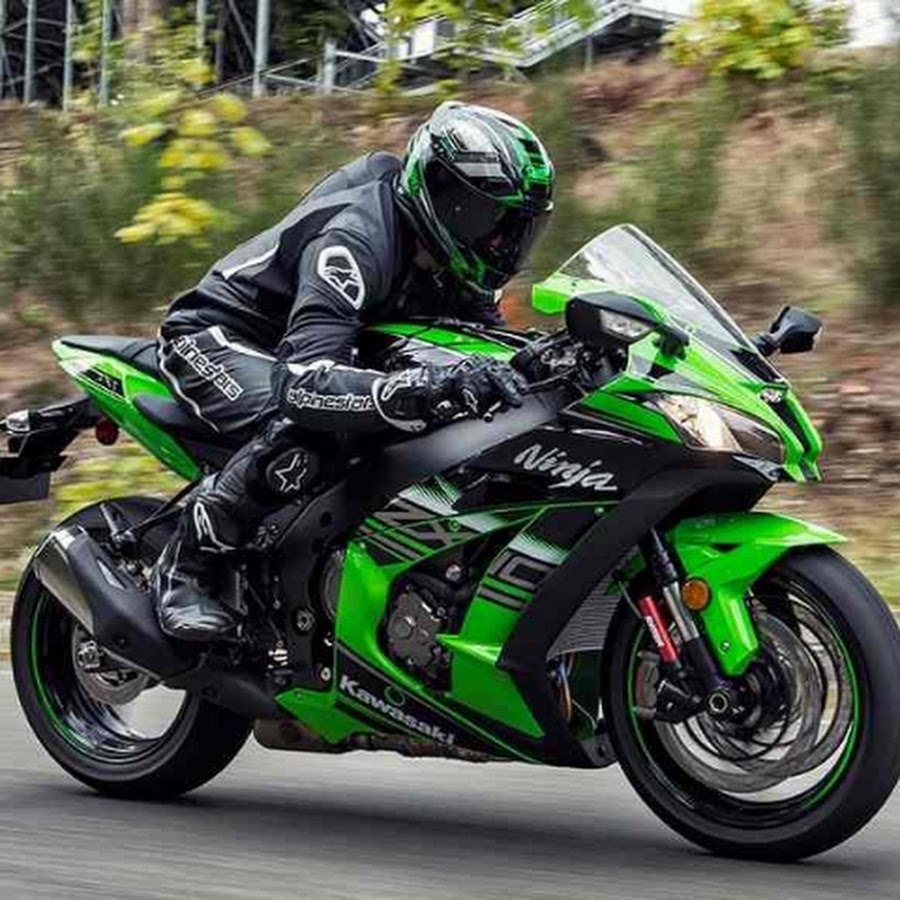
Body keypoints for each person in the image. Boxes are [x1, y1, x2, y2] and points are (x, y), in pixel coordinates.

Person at [152, 101, 555, 641]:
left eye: (517, 226)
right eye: (486, 218)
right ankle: (186, 566)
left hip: (314, 351)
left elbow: (485, 344)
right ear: (438, 192)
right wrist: (422, 386)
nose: (500, 242)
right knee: (312, 425)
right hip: (221, 338)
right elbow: (303, 384)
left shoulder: (457, 264)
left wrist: (539, 359)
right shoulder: (357, 240)